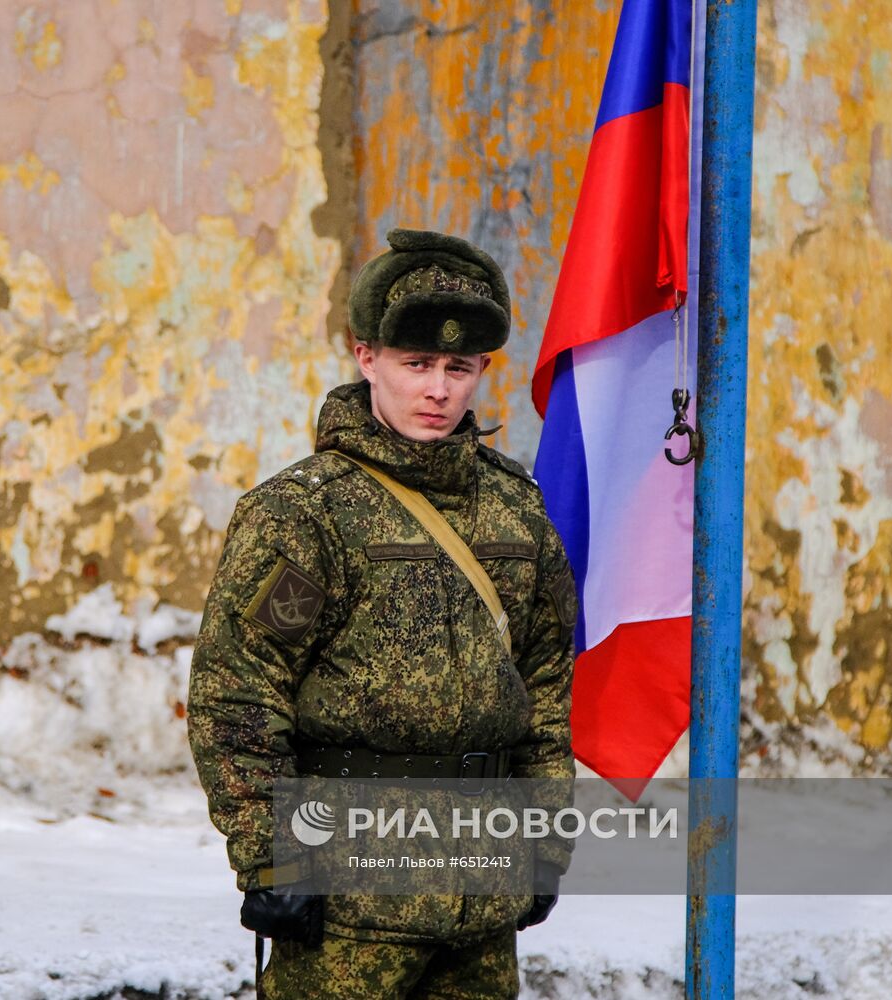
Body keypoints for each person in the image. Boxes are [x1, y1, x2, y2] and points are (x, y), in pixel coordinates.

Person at [187, 228, 577, 999]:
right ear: (367, 357)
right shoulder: (306, 514)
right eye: (416, 364)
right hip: (348, 905)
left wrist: (544, 839)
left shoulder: (515, 510)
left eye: (459, 368)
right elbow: (237, 696)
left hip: (480, 897)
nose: (438, 390)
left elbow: (546, 689)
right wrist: (273, 855)